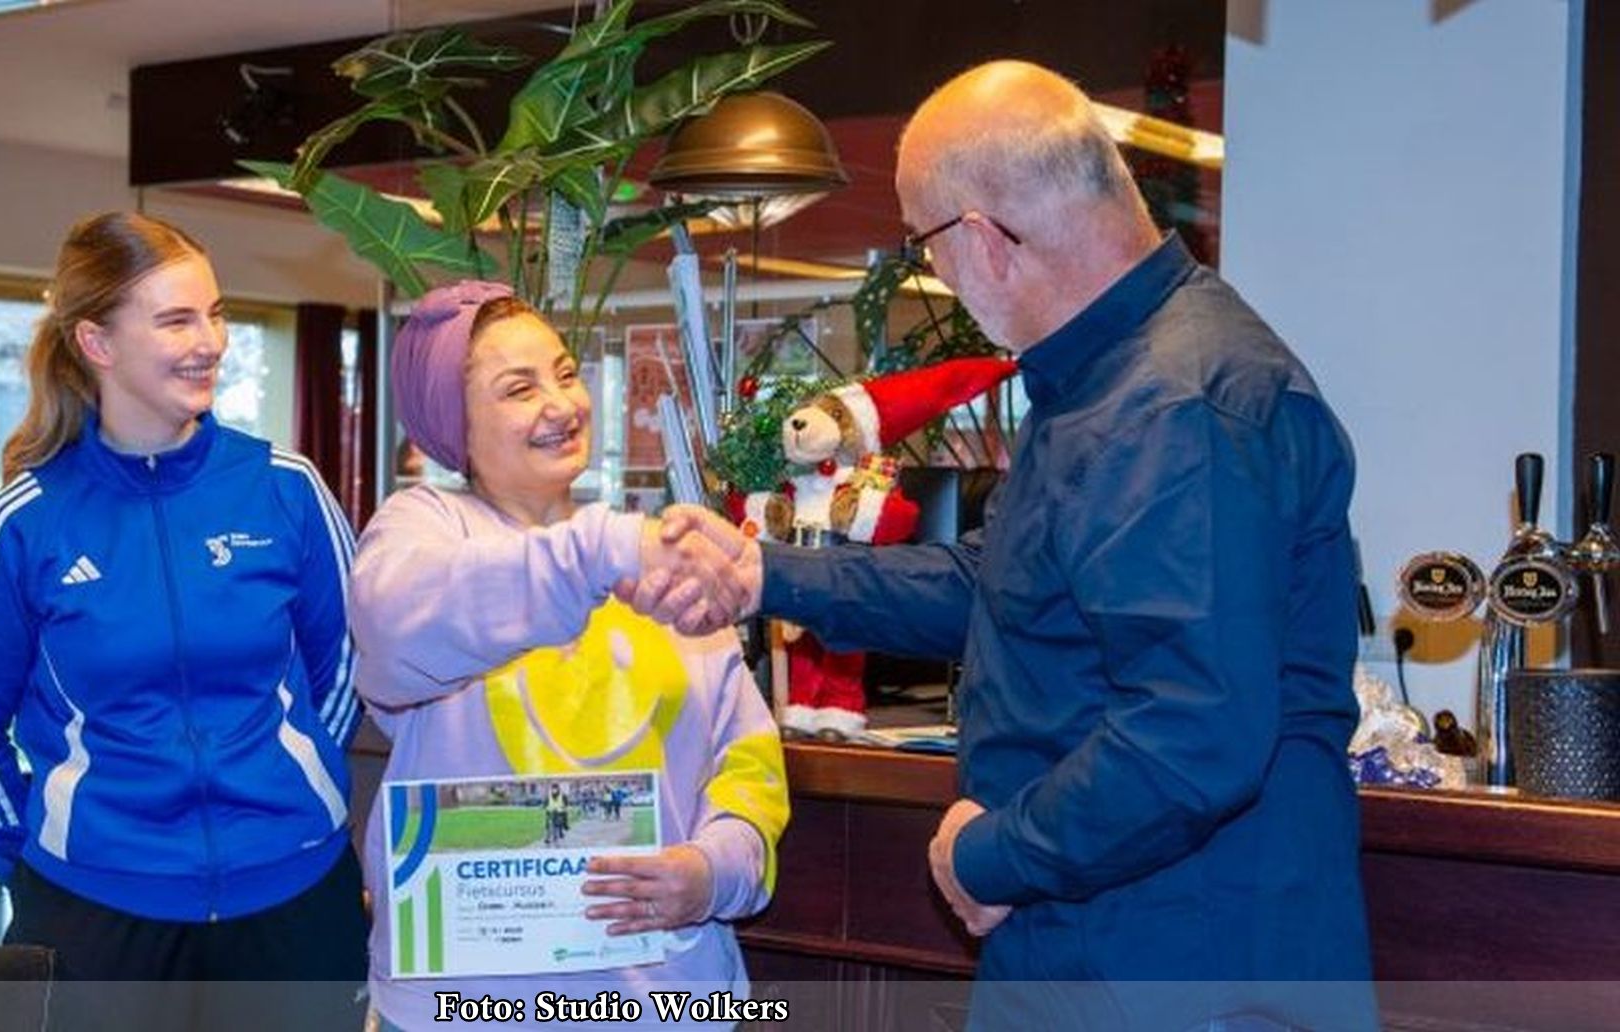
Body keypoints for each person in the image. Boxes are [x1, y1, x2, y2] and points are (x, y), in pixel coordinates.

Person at [641, 61, 1375, 1029]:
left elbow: (1192, 734)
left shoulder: (1175, 405)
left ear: (983, 240)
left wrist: (989, 855)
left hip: (1176, 965)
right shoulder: (1107, 380)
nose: (937, 276)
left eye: (925, 247)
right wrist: (767, 573)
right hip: (1101, 948)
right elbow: (1000, 583)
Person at [0, 212, 366, 1029]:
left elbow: (344, 666)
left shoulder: (287, 490)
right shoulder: (24, 524)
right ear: (97, 343)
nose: (211, 340)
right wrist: (35, 866)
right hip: (97, 915)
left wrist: (285, 773)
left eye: (216, 312)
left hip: (296, 895)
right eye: (176, 319)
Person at [350, 280, 789, 1031]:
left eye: (563, 372)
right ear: (451, 424)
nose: (561, 404)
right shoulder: (425, 535)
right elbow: (397, 628)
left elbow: (747, 757)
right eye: (518, 389)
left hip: (663, 996)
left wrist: (713, 869)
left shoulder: (660, 559)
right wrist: (605, 548)